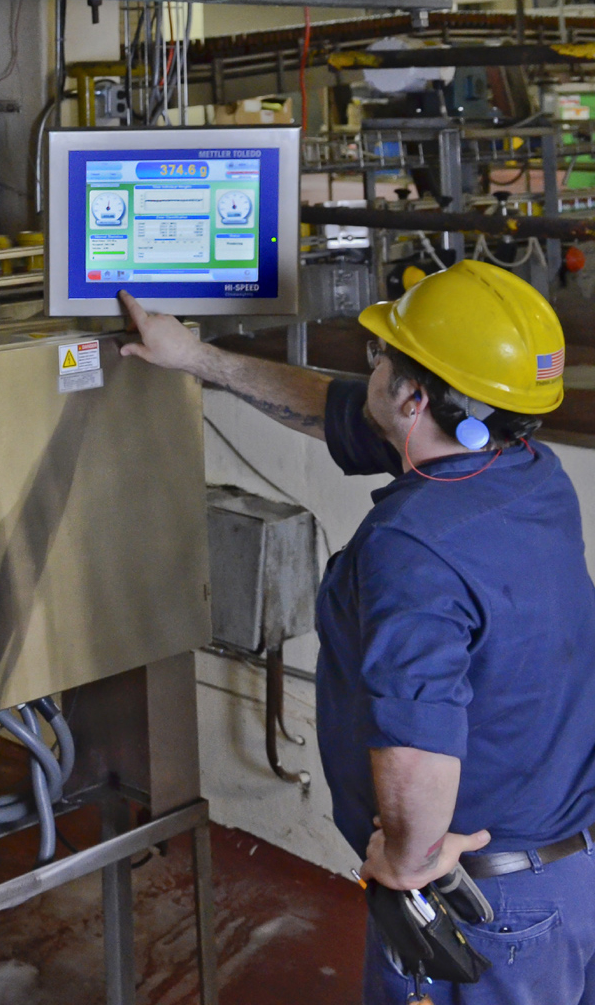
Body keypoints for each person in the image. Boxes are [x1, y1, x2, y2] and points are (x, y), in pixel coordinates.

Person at [118, 260, 595, 1004]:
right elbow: (331, 406)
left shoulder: (412, 546)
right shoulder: (525, 469)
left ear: (413, 397)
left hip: (485, 906)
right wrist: (195, 358)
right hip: (569, 874)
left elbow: (417, 746)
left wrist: (407, 861)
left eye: (380, 356)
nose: (368, 367)